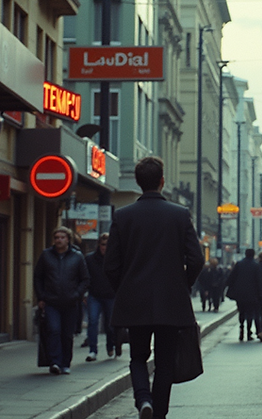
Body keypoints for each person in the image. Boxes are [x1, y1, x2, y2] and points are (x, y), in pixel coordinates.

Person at [104, 156, 204, 419]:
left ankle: (143, 399)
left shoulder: (123, 216)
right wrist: (184, 284)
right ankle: (158, 414)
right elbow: (196, 259)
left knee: (137, 356)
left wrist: (124, 289)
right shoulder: (180, 215)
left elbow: (111, 265)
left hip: (134, 300)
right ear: (161, 181)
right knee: (165, 362)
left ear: (138, 183)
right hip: (171, 302)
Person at [34, 226, 90, 375]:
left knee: (67, 334)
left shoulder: (77, 257)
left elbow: (85, 279)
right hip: (51, 301)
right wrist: (41, 296)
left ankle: (65, 363)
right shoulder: (46, 255)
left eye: (62, 237)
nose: (59, 240)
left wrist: (77, 294)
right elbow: (38, 277)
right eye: (57, 237)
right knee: (53, 330)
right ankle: (55, 362)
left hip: (70, 302)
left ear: (68, 239)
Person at [84, 233, 117, 361]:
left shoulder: (115, 259)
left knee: (110, 324)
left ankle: (110, 345)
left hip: (111, 295)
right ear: (99, 245)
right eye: (103, 244)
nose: (105, 247)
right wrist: (85, 293)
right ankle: (93, 350)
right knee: (92, 322)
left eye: (108, 245)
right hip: (94, 295)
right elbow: (85, 277)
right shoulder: (90, 259)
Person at [226, 249, 262, 342]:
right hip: (252, 293)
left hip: (240, 293)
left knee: (241, 311)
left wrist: (227, 286)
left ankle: (241, 327)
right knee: (250, 312)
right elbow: (259, 280)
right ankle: (248, 331)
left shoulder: (239, 264)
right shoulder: (256, 265)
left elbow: (232, 277)